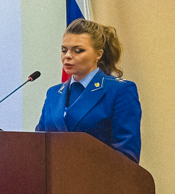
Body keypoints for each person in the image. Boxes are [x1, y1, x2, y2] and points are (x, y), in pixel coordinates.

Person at [36, 18, 141, 162]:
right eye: (64, 50)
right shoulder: (53, 94)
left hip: (97, 175)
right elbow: (38, 144)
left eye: (78, 51)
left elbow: (127, 156)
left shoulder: (119, 91)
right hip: (54, 175)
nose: (67, 56)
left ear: (98, 54)